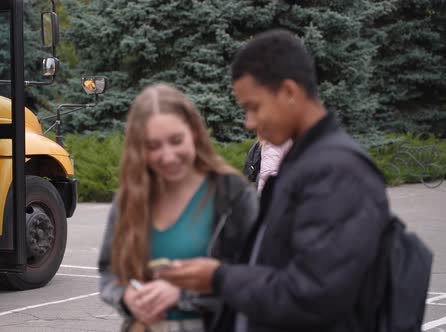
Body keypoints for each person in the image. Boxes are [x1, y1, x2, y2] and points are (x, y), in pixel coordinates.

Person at [158, 29, 391, 332]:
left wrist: (218, 278)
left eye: (253, 107)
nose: (249, 123)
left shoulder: (337, 171)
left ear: (289, 92)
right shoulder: (304, 161)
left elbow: (314, 295)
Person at [98, 84, 258, 331]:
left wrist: (182, 295)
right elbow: (109, 272)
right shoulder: (129, 198)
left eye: (176, 140)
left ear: (194, 132)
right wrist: (126, 296)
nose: (168, 156)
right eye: (153, 146)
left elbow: (257, 281)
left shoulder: (232, 194)